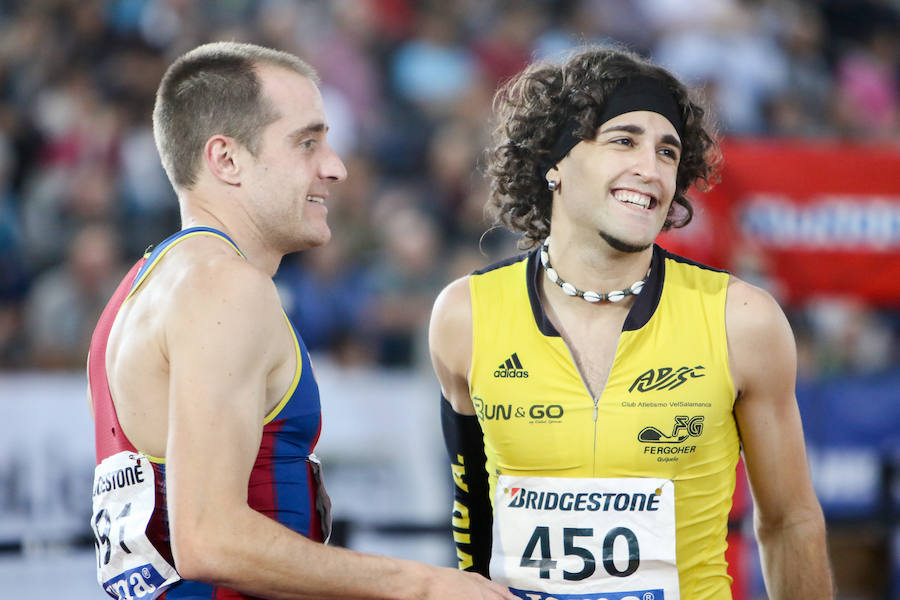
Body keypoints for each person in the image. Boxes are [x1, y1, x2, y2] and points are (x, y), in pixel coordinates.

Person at [87, 41, 515, 600]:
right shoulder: (225, 287)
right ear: (226, 159)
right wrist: (423, 584)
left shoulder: (150, 280)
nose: (335, 168)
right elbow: (208, 540)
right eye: (308, 142)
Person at [429, 46, 833, 599]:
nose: (651, 168)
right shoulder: (464, 316)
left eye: (667, 152)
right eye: (623, 140)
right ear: (556, 160)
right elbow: (473, 526)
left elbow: (790, 521)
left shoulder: (741, 320)